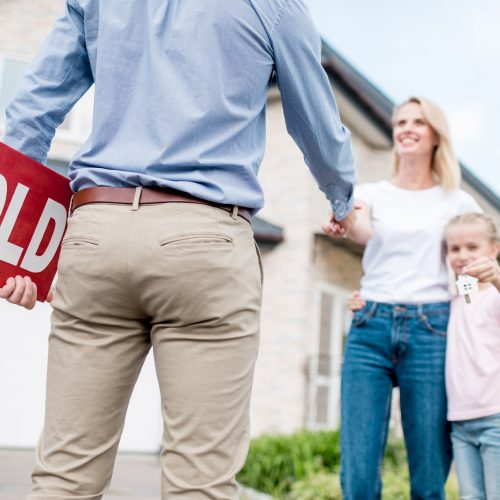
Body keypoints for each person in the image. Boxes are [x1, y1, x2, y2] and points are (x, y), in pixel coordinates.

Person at [0, 1, 357, 499]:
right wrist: (344, 199)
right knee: (200, 484)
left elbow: (31, 111)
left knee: (64, 477)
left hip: (96, 229)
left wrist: (14, 250)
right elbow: (317, 123)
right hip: (203, 239)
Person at [323, 96, 482, 499]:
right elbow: (358, 226)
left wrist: (465, 301)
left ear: (435, 136)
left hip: (433, 329)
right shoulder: (372, 192)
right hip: (370, 324)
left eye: (418, 122)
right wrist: (342, 219)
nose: (406, 129)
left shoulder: (458, 202)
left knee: (429, 474)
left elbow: (470, 277)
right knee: (357, 469)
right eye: (400, 122)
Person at [445, 213, 500, 500]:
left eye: (472, 247)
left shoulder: (494, 295)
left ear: (494, 249)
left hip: (495, 417)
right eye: (454, 249)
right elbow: (467, 300)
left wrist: (497, 275)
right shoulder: (461, 296)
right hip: (461, 420)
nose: (462, 255)